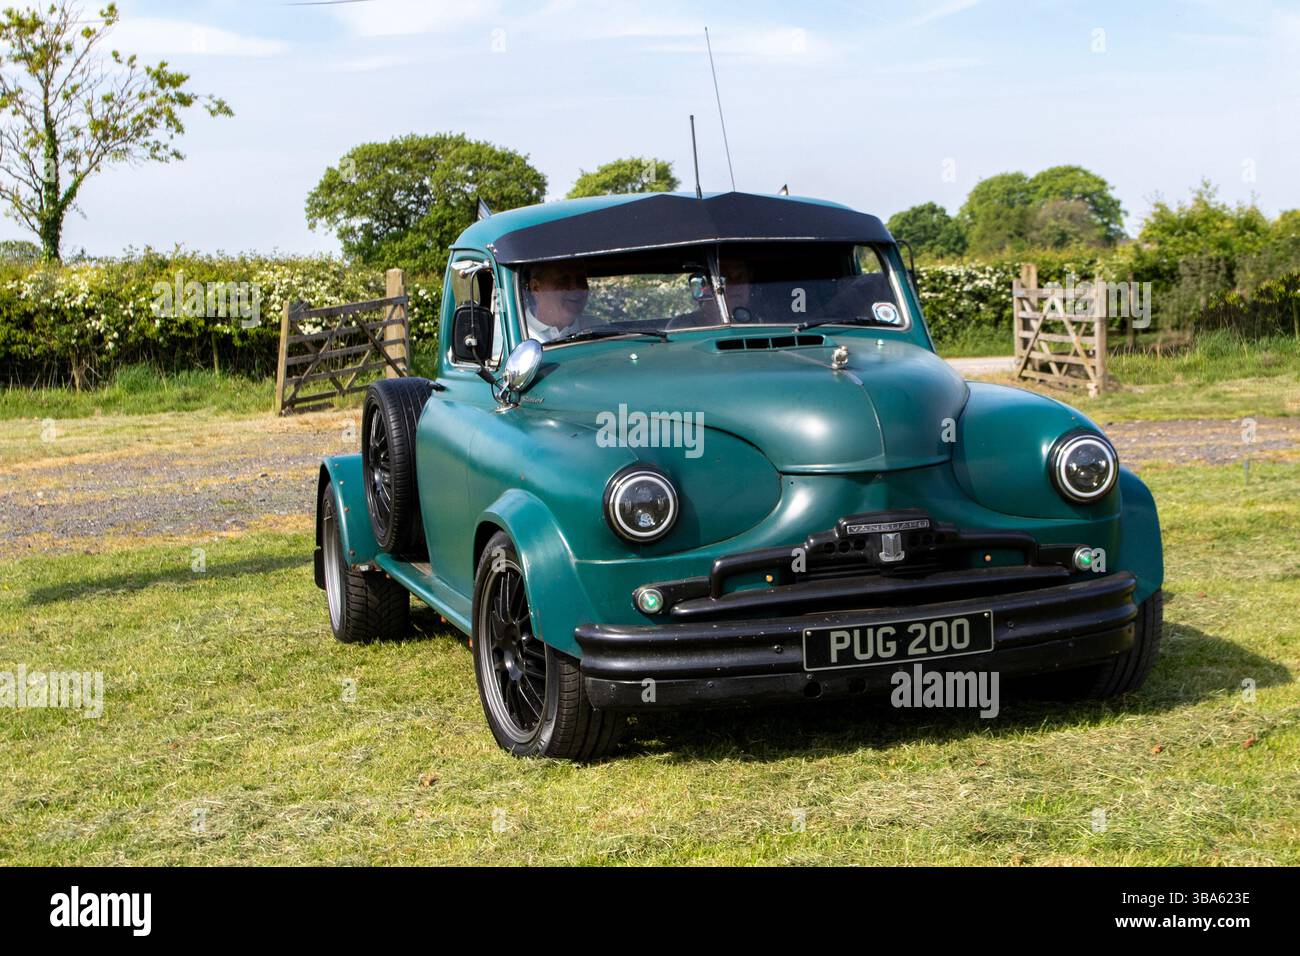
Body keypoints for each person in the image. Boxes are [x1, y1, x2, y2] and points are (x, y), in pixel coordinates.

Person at [523, 263, 591, 342]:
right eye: (563, 280)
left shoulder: (598, 328)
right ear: (536, 288)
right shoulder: (513, 336)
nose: (575, 288)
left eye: (581, 280)